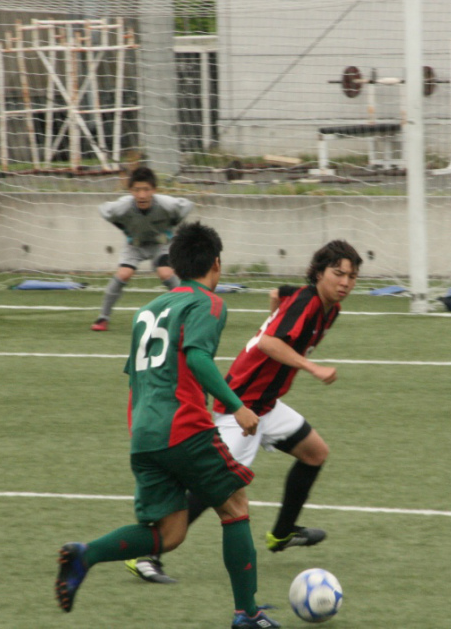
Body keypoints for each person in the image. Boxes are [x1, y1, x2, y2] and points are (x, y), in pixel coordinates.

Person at [56, 222, 282, 629]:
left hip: (144, 433)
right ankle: (247, 614)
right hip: (184, 427)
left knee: (170, 533)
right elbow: (197, 358)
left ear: (175, 265)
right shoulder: (209, 303)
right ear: (216, 263)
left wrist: (140, 435)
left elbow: (135, 378)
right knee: (234, 506)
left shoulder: (147, 311)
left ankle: (84, 555)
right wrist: (237, 407)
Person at [125, 239, 362, 585]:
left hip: (266, 404)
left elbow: (280, 292)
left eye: (352, 276)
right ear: (319, 273)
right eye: (337, 273)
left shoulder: (327, 307)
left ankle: (282, 533)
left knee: (315, 453)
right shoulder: (309, 303)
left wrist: (273, 312)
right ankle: (146, 554)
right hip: (244, 404)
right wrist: (311, 367)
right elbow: (268, 343)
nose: (345, 282)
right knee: (213, 485)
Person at [91, 166, 193, 331]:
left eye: (146, 189)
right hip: (135, 245)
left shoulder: (165, 203)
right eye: (137, 190)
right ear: (131, 190)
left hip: (162, 244)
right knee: (124, 274)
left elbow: (187, 205)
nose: (142, 195)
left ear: (154, 189)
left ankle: (188, 314)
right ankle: (103, 317)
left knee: (165, 273)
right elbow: (104, 210)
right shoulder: (123, 206)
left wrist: (172, 225)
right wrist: (124, 228)